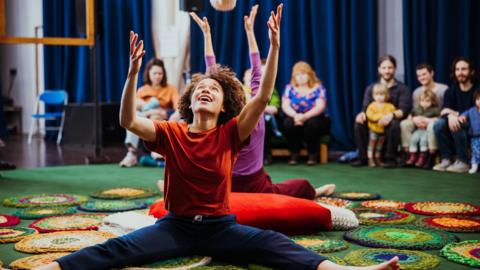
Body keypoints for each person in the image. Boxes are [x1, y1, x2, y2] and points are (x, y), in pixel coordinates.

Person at [37, 6, 400, 270]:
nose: (206, 90)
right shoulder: (171, 132)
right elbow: (128, 119)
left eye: (214, 88)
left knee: (275, 245)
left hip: (221, 228)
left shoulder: (231, 133)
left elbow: (261, 96)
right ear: (190, 101)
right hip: (175, 226)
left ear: (226, 104)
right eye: (201, 88)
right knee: (117, 248)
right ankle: (53, 267)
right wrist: (132, 73)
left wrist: (273, 47)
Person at [188, 5, 335, 200]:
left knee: (301, 186)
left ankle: (314, 192)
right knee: (302, 186)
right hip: (227, 183)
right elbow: (218, 74)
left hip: (251, 184)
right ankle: (314, 192)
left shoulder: (245, 115)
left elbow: (255, 72)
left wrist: (244, 33)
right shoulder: (226, 119)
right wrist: (213, 34)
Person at [351, 55, 411, 168]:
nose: (387, 71)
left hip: (392, 120)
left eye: (390, 67)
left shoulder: (402, 88)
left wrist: (390, 116)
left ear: (395, 69)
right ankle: (362, 157)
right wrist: (362, 114)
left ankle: (390, 158)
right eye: (384, 68)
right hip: (373, 120)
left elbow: (405, 109)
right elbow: (366, 107)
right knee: (359, 123)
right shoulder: (371, 88)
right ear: (379, 69)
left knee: (394, 124)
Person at [118, 58, 179, 167]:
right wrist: (147, 111)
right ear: (149, 74)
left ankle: (157, 149)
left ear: (163, 74)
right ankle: (131, 154)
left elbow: (178, 109)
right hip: (144, 118)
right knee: (133, 117)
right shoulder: (142, 90)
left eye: (160, 73)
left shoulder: (171, 89)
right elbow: (133, 108)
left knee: (155, 115)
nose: (157, 76)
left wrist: (165, 113)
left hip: (162, 119)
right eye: (155, 73)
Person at [433, 57, 478, 173]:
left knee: (457, 123)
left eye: (464, 69)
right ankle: (446, 159)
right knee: (439, 124)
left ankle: (463, 161)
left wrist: (454, 114)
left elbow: (475, 112)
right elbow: (444, 111)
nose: (460, 73)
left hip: (474, 125)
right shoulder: (450, 91)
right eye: (457, 69)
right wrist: (451, 116)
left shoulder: (477, 91)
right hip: (456, 123)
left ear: (471, 71)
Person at [282, 61, 331, 165]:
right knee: (288, 123)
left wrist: (304, 116)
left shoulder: (318, 88)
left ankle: (312, 155)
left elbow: (320, 107)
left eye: (303, 74)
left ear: (310, 75)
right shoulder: (289, 88)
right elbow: (285, 105)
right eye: (297, 75)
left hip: (316, 117)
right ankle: (294, 154)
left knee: (312, 124)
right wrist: (296, 116)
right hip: (295, 116)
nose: (300, 77)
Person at [400, 63, 448, 168]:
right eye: (419, 75)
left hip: (437, 120)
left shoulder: (443, 90)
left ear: (432, 73)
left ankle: (431, 155)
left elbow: (446, 112)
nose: (421, 77)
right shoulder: (417, 92)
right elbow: (415, 111)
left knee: (432, 125)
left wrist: (429, 120)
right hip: (420, 122)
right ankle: (410, 154)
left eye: (424, 74)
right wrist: (414, 119)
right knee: (404, 124)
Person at [404, 90, 441, 167]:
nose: (424, 103)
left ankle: (422, 158)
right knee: (413, 140)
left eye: (427, 101)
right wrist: (414, 119)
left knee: (423, 141)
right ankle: (412, 156)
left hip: (427, 131)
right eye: (422, 101)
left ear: (432, 101)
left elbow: (438, 118)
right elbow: (410, 116)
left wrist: (427, 121)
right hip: (418, 130)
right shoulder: (417, 109)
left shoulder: (435, 109)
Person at [365, 83, 397, 167]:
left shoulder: (390, 106)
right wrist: (381, 117)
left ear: (386, 95)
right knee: (372, 145)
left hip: (382, 131)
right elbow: (369, 115)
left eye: (381, 94)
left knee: (379, 146)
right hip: (373, 129)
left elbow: (392, 115)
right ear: (373, 96)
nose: (379, 97)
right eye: (377, 94)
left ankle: (377, 158)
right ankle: (370, 159)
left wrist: (387, 118)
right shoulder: (372, 106)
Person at [459, 90, 480, 174]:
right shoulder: (472, 110)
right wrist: (462, 117)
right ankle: (474, 166)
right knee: (475, 152)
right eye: (478, 99)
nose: (479, 101)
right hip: (475, 137)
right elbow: (464, 115)